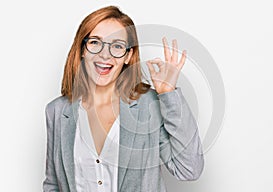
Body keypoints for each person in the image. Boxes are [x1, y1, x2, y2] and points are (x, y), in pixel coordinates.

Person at [43, 5, 204, 192]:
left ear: (128, 55)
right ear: (82, 49)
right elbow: (53, 184)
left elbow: (189, 169)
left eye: (117, 46)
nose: (105, 54)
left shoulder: (149, 106)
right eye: (95, 42)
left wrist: (168, 94)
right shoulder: (56, 111)